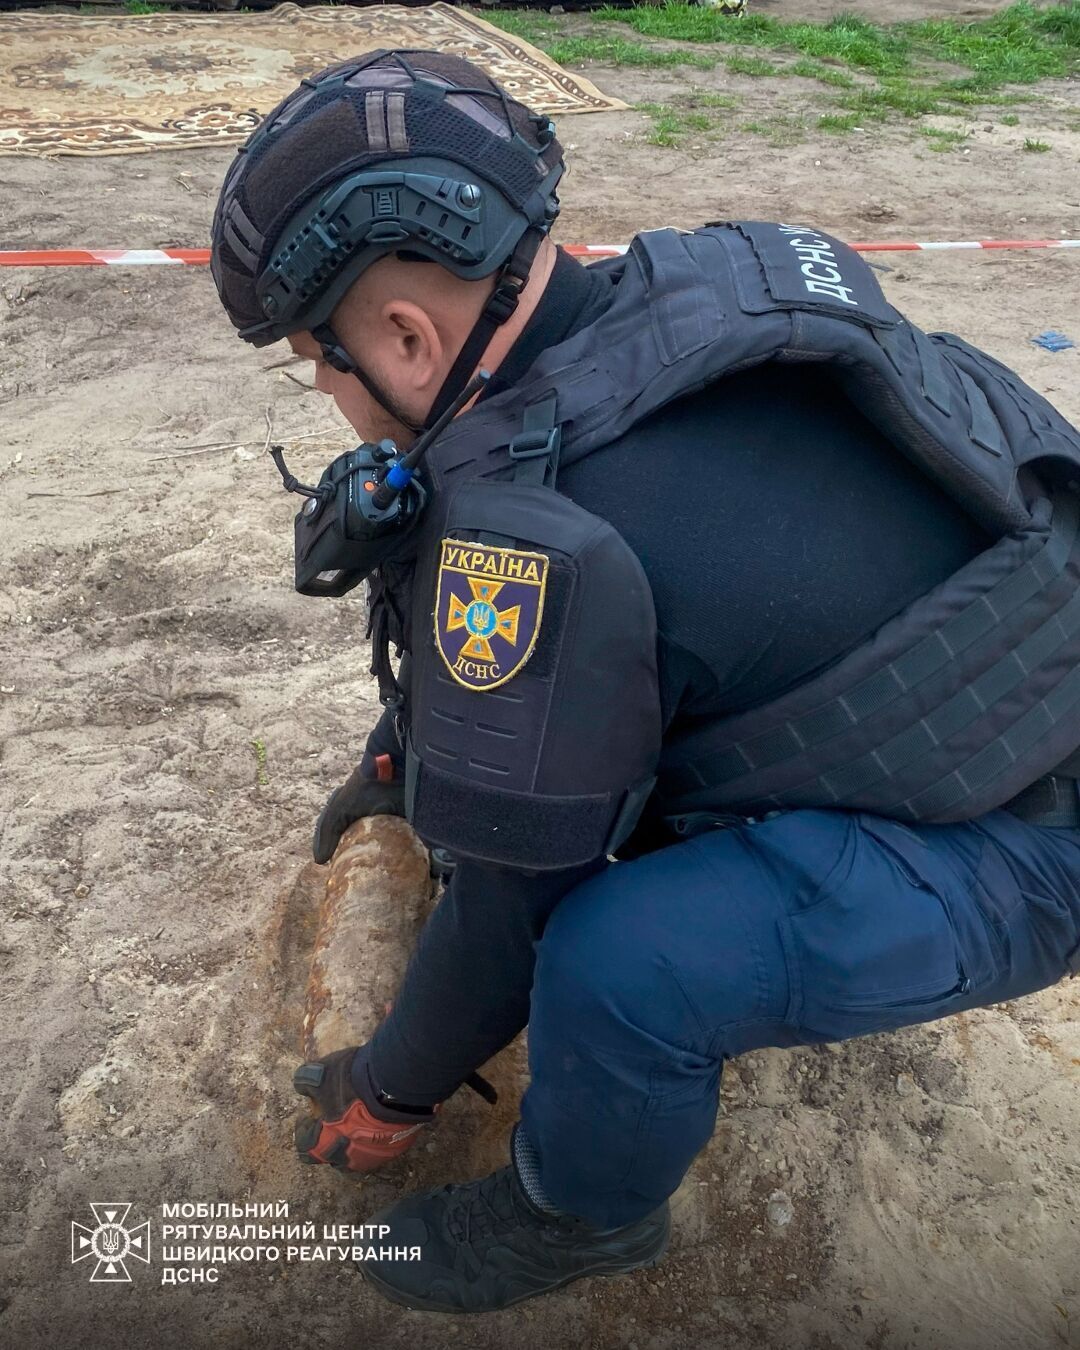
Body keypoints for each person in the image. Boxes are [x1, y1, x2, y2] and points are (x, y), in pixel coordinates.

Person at [211, 49, 1080, 1314]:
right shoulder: (666, 295)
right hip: (1006, 659)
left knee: (623, 961)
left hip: (1037, 824)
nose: (329, 396)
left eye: (319, 366)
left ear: (405, 337)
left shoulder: (543, 539)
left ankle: (580, 1216)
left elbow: (511, 910)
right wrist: (403, 765)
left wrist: (389, 1086)